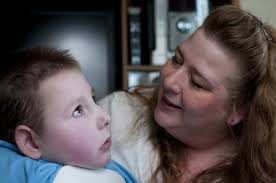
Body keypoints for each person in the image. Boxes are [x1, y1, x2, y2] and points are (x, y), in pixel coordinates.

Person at [98, 5, 276, 183]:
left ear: (238, 110)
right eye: (177, 60)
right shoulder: (114, 115)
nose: (169, 82)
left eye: (197, 83)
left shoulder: (256, 175)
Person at [0, 47, 137, 183]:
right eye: (78, 110)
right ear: (31, 142)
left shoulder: (111, 168)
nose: (106, 117)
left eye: (93, 99)